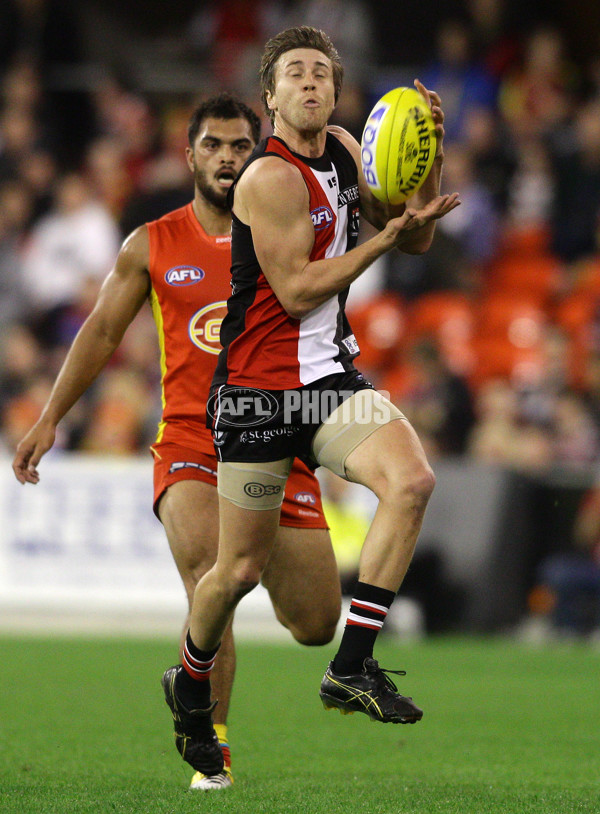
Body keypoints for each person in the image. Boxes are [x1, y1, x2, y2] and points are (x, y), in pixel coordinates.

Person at [12, 93, 342, 790]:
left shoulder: (286, 235)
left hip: (277, 433)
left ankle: (191, 689)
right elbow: (101, 331)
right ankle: (209, 747)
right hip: (192, 439)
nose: (228, 157)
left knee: (315, 624)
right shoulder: (151, 244)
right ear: (189, 155)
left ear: (260, 154)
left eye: (239, 145)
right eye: (214, 145)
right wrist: (51, 416)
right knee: (213, 578)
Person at [161, 26, 460, 777]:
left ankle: (351, 665)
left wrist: (425, 158)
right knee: (234, 574)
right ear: (270, 97)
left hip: (326, 381)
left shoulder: (347, 150)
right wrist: (386, 239)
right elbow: (294, 294)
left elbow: (414, 237)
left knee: (412, 480)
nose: (310, 83)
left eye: (321, 72)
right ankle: (190, 686)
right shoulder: (267, 177)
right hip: (260, 394)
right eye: (294, 72)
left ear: (334, 87)